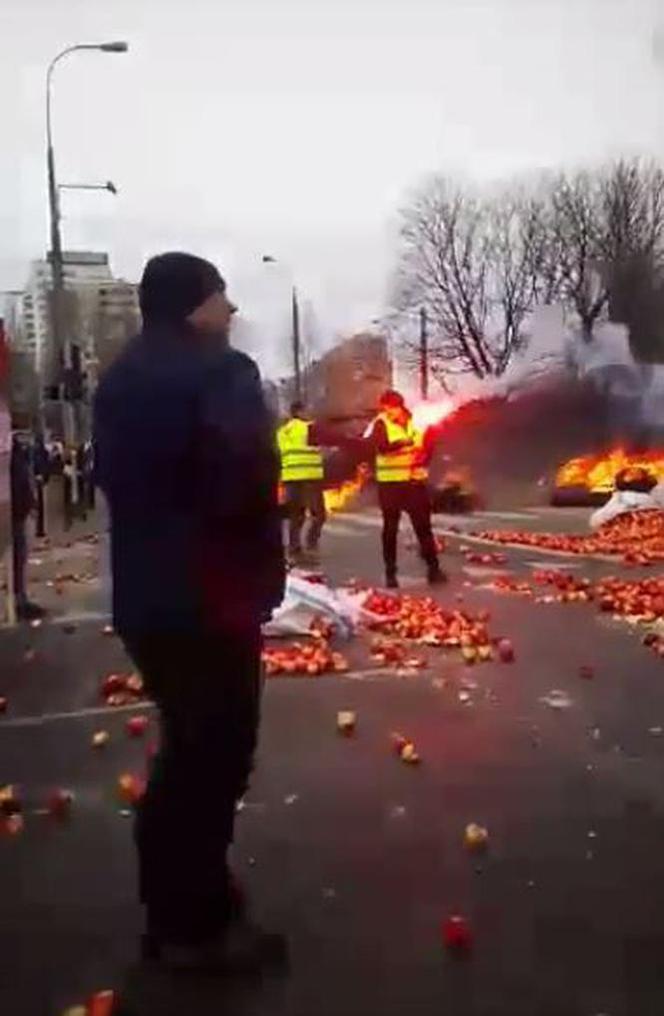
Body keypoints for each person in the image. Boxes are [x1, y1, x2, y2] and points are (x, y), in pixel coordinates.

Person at [94, 252, 286, 973]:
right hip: (214, 596)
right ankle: (194, 926)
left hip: (148, 600)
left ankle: (181, 904)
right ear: (193, 306)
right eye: (221, 295)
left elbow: (113, 481)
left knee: (188, 748)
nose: (231, 310)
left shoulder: (117, 382)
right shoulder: (220, 371)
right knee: (216, 758)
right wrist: (262, 572)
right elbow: (244, 478)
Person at [367, 389, 445, 589]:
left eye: (390, 409)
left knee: (423, 527)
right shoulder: (380, 424)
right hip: (390, 485)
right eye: (384, 409)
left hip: (412, 483)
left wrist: (424, 458)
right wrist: (404, 442)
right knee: (390, 529)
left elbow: (428, 444)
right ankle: (391, 574)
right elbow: (381, 447)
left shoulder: (415, 421)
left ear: (399, 406)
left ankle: (433, 570)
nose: (387, 413)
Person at [276, 401, 327, 562]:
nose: (310, 412)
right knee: (319, 514)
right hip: (309, 476)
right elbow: (332, 438)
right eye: (307, 410)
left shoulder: (282, 432)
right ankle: (311, 545)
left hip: (290, 477)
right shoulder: (309, 428)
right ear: (300, 411)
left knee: (296, 515)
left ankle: (294, 550)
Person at [10, 427, 46, 621]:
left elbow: (22, 476)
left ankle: (19, 599)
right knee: (17, 554)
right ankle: (18, 599)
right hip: (13, 507)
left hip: (15, 508)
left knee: (18, 554)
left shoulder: (14, 445)